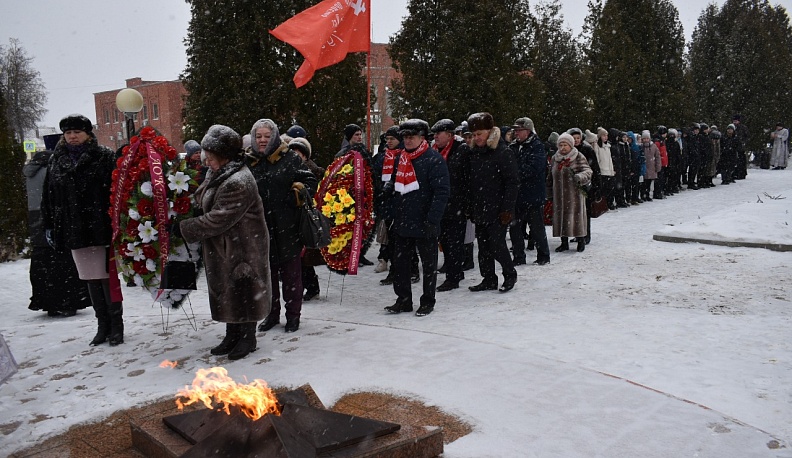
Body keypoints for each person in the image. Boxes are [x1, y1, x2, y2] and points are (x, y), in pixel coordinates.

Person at [175, 125, 271, 360]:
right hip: (225, 247)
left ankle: (248, 337)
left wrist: (182, 228)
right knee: (229, 293)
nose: (206, 160)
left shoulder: (238, 181)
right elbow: (202, 200)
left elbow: (218, 219)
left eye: (210, 154)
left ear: (224, 155)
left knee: (245, 290)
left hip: (243, 249)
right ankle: (232, 333)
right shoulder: (219, 174)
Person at [41, 114, 123, 346]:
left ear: (88, 134)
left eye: (77, 132)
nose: (72, 137)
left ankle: (116, 325)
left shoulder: (104, 157)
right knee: (90, 278)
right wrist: (49, 224)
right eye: (68, 133)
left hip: (100, 227)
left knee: (107, 278)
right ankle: (102, 325)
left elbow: (115, 192)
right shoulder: (57, 160)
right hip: (73, 228)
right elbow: (49, 196)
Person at [246, 119, 317, 333]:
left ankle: (293, 315)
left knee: (291, 278)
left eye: (267, 136)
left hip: (287, 228)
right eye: (258, 136)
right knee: (267, 278)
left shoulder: (289, 159)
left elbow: (310, 180)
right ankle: (271, 314)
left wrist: (297, 194)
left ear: (275, 137)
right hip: (261, 230)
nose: (262, 140)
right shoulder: (249, 161)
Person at [382, 119, 449, 316]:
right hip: (403, 221)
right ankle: (403, 300)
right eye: (405, 137)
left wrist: (432, 220)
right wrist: (388, 201)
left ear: (422, 138)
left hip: (425, 221)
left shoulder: (433, 159)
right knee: (401, 264)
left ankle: (427, 301)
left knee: (428, 266)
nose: (407, 141)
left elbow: (441, 192)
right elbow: (395, 186)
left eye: (412, 137)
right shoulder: (400, 158)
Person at [25, 133, 91, 317]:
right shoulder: (55, 167)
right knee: (62, 262)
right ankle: (66, 300)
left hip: (36, 220)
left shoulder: (32, 169)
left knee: (42, 262)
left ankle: (47, 301)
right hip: (56, 218)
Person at [466, 112, 519, 293]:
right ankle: (488, 278)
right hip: (480, 207)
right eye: (474, 135)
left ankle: (510, 274)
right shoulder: (475, 154)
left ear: (489, 132)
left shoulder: (503, 152)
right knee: (483, 247)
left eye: (479, 134)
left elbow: (512, 182)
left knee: (497, 245)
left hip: (497, 209)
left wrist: (507, 209)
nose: (476, 138)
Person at [431, 119, 469, 291]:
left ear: (449, 135)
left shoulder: (460, 150)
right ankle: (453, 267)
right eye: (434, 134)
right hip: (440, 202)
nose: (435, 137)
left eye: (439, 134)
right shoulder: (433, 150)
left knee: (454, 241)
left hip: (456, 203)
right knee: (444, 240)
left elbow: (466, 177)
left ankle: (453, 277)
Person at [509, 117, 550, 266]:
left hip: (533, 194)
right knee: (515, 228)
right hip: (516, 195)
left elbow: (534, 168)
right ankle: (518, 256)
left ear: (528, 131)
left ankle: (543, 255)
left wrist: (514, 174)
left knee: (536, 228)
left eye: (519, 130)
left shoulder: (537, 146)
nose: (516, 133)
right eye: (515, 130)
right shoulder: (513, 147)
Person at [289, 137, 325, 301]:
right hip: (291, 219)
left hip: (306, 218)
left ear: (305, 156)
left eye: (299, 154)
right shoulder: (286, 170)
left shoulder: (312, 172)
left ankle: (311, 286)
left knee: (305, 258)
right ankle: (301, 286)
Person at [547, 132, 592, 253]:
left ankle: (581, 240)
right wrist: (549, 191)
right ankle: (564, 242)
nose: (562, 147)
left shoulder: (578, 156)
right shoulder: (555, 158)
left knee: (576, 218)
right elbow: (550, 176)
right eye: (560, 145)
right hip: (559, 195)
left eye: (565, 145)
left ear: (571, 145)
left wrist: (579, 177)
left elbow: (588, 171)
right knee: (561, 218)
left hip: (574, 195)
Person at [568, 128, 599, 245]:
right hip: (571, 186)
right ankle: (577, 234)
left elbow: (595, 168)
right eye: (574, 138)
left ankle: (586, 235)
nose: (576, 140)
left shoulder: (587, 149)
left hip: (586, 184)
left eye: (578, 138)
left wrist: (597, 185)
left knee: (585, 211)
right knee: (574, 212)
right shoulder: (568, 150)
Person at [640, 130, 662, 201]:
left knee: (649, 182)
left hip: (651, 167)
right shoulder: (641, 146)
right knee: (643, 183)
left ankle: (647, 194)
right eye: (644, 138)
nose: (646, 140)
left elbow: (658, 157)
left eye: (647, 138)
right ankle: (642, 194)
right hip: (643, 167)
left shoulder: (653, 146)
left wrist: (658, 166)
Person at [733, 115, 749, 179]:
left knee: (741, 161)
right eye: (734, 121)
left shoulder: (743, 128)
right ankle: (735, 173)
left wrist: (743, 142)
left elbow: (746, 136)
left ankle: (741, 174)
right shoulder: (733, 127)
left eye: (736, 121)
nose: (735, 122)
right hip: (734, 147)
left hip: (741, 147)